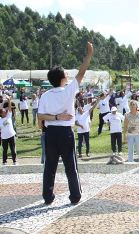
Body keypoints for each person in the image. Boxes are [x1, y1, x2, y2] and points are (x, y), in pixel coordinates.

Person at [37, 42, 93, 205]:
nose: (68, 76)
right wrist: (89, 54)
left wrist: (55, 117)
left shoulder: (45, 95)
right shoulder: (69, 90)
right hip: (65, 133)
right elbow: (81, 72)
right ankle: (75, 196)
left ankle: (48, 197)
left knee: (50, 167)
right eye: (66, 75)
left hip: (51, 133)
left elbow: (40, 116)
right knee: (71, 166)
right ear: (62, 79)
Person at [0, 97, 17, 165]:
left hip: (11, 135)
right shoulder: (0, 120)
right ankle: (4, 161)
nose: (5, 111)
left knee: (13, 149)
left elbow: (9, 108)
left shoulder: (8, 116)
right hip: (4, 137)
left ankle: (14, 161)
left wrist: (9, 100)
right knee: (5, 150)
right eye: (4, 111)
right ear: (1, 114)